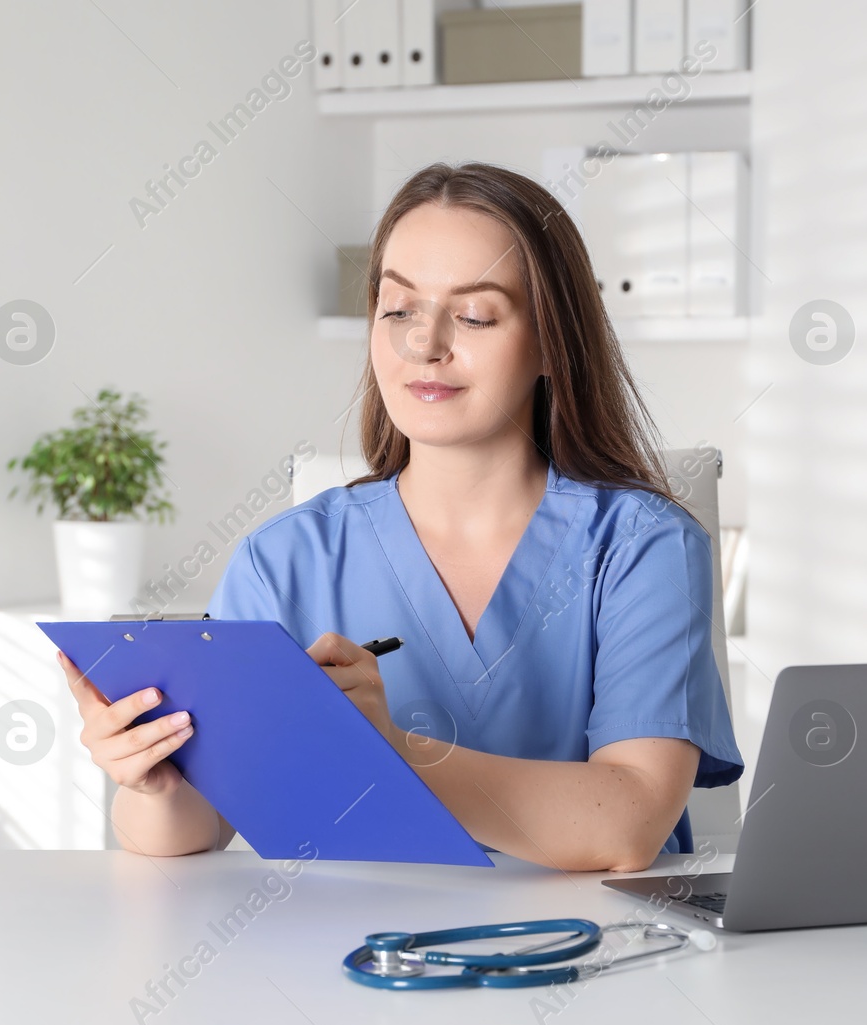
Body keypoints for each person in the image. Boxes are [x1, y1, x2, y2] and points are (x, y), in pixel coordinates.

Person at [60, 161, 743, 872]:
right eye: (399, 309)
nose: (425, 343)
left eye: (475, 314)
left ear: (551, 342)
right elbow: (195, 826)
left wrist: (392, 753)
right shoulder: (284, 559)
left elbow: (627, 819)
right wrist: (152, 778)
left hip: (600, 961)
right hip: (364, 962)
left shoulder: (643, 546)